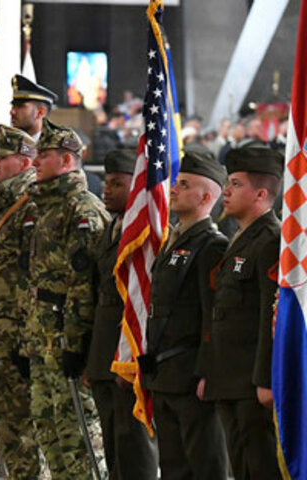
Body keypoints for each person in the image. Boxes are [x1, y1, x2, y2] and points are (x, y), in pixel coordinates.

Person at [21, 121, 109, 478]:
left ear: (68, 160)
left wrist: (75, 344)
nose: (35, 161)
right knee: (49, 432)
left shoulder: (81, 210)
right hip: (42, 339)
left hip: (66, 340)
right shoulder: (44, 206)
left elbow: (84, 285)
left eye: (45, 154)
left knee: (78, 438)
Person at [142, 149, 229, 479]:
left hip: (191, 376)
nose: (173, 189)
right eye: (175, 183)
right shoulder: (173, 241)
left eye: (184, 184)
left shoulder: (211, 245)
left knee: (205, 464)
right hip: (164, 373)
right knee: (174, 467)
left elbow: (212, 318)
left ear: (206, 196)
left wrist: (207, 373)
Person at [203, 146, 282, 479]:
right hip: (229, 380)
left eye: (235, 183)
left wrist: (265, 381)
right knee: (240, 466)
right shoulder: (239, 239)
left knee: (260, 467)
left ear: (261, 193)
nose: (226, 190)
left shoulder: (271, 241)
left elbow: (270, 318)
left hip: (252, 385)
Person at [86, 149, 159, 479]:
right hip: (104, 353)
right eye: (106, 182)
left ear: (139, 185)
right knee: (114, 444)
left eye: (117, 183)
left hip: (131, 355)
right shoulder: (112, 229)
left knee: (135, 446)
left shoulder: (147, 235)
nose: (106, 189)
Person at [0, 124, 40, 478]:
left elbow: (31, 272)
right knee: (4, 423)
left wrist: (24, 334)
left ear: (25, 161)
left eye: (3, 159)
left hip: (17, 334)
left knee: (25, 426)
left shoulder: (29, 206)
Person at [10, 74, 58, 142]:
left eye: (20, 106)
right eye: (13, 106)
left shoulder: (54, 147)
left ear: (40, 112)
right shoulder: (7, 143)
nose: (12, 112)